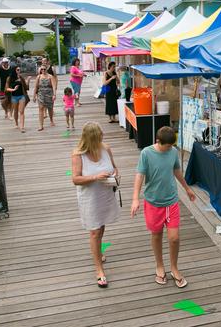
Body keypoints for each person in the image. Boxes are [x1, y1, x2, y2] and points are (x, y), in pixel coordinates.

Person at [130, 126, 196, 288]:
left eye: (171, 146)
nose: (170, 149)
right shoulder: (146, 153)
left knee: (174, 238)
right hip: (153, 202)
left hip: (171, 201)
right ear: (158, 141)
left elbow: (176, 171)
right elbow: (140, 175)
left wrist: (187, 188)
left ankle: (174, 267)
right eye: (167, 146)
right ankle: (160, 266)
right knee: (157, 235)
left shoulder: (172, 152)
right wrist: (135, 199)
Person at [71, 122, 120, 288]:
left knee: (102, 226)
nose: (102, 139)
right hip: (90, 199)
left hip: (105, 194)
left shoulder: (106, 148)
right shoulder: (79, 155)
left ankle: (99, 252)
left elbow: (114, 168)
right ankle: (99, 269)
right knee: (95, 231)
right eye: (98, 137)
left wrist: (114, 175)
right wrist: (95, 177)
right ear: (90, 139)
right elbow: (76, 179)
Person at [5, 65, 30, 133]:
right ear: (14, 70)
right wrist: (13, 89)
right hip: (14, 97)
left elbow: (26, 87)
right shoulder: (9, 78)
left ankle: (22, 127)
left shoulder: (21, 77)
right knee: (15, 111)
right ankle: (16, 123)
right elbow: (6, 88)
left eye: (19, 70)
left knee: (21, 111)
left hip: (22, 96)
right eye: (18, 70)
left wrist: (28, 80)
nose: (19, 71)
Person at [33, 66, 56, 131]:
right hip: (40, 94)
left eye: (44, 69)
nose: (43, 70)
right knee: (41, 108)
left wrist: (54, 94)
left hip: (49, 94)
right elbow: (36, 87)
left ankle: (51, 120)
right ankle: (41, 125)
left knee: (50, 108)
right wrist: (34, 96)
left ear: (46, 70)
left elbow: (53, 86)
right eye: (41, 69)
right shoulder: (38, 77)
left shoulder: (50, 76)